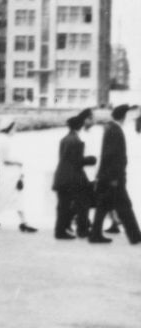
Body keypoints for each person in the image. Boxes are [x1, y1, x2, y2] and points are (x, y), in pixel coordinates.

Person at [88, 104, 141, 245]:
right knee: (124, 206)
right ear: (124, 116)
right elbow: (111, 156)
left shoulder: (111, 128)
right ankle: (135, 236)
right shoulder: (115, 131)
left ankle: (95, 234)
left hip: (110, 177)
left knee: (104, 206)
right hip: (114, 178)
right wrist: (113, 178)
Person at [52, 109, 96, 240]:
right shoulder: (77, 141)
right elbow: (77, 161)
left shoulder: (65, 139)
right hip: (73, 178)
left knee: (63, 206)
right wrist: (91, 160)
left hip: (61, 176)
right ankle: (82, 230)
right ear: (80, 126)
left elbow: (65, 159)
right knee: (83, 203)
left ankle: (60, 231)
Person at [0, 117, 37, 233]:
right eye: (14, 127)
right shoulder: (4, 140)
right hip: (7, 174)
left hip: (7, 173)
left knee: (0, 196)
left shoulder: (2, 139)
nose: (15, 130)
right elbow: (5, 159)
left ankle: (23, 222)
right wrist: (19, 162)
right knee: (13, 197)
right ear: (9, 128)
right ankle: (23, 222)